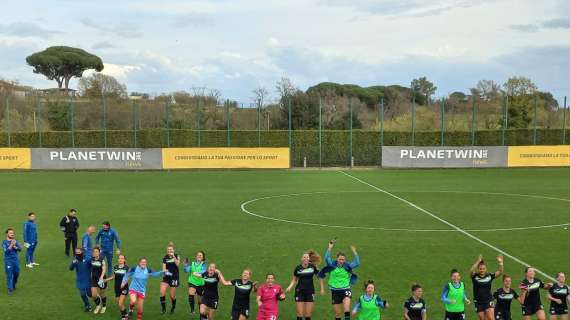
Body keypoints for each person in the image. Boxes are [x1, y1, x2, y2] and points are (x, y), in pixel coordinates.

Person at [318, 240, 360, 320]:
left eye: (343, 259)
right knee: (338, 313)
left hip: (345, 289)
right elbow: (327, 258)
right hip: (334, 291)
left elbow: (357, 262)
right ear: (337, 259)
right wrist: (330, 248)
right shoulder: (332, 265)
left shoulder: (347, 266)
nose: (341, 261)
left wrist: (354, 251)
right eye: (340, 259)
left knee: (346, 309)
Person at [285, 250, 323, 320]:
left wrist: (322, 288)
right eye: (304, 257)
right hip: (299, 292)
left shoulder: (312, 267)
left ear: (309, 259)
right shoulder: (298, 268)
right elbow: (294, 279)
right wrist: (289, 287)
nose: (306, 259)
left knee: (308, 314)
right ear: (302, 259)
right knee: (300, 313)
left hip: (310, 292)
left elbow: (320, 276)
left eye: (307, 257)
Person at [470, 254, 504, 320]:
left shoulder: (489, 276)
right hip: (478, 301)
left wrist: (500, 262)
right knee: (482, 318)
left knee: (491, 318)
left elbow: (500, 272)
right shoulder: (475, 277)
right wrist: (478, 261)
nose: (482, 270)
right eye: (480, 269)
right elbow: (471, 271)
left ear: (486, 269)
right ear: (478, 269)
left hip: (488, 300)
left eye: (483, 269)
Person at [106, 254, 130, 320]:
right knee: (119, 303)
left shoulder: (127, 268)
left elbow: (127, 278)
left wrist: (123, 283)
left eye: (122, 258)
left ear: (124, 260)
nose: (120, 259)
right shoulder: (115, 267)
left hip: (124, 288)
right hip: (116, 288)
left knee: (120, 303)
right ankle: (126, 314)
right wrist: (106, 280)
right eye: (119, 258)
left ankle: (124, 317)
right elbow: (114, 276)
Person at [69, 247, 93, 312]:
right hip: (80, 280)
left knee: (90, 294)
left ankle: (98, 299)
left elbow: (93, 267)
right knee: (82, 294)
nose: (77, 254)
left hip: (88, 280)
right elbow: (70, 268)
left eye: (79, 252)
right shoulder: (75, 260)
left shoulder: (88, 259)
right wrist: (73, 263)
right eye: (76, 252)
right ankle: (87, 305)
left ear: (82, 252)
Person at [160, 243, 180, 314]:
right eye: (168, 250)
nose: (169, 251)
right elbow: (163, 268)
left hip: (174, 278)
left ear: (173, 250)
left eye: (171, 249)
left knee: (172, 296)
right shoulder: (165, 257)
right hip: (167, 277)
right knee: (162, 292)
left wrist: (173, 256)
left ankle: (173, 307)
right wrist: (165, 272)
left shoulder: (177, 256)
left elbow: (177, 264)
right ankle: (163, 309)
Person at [3, 228, 22, 294]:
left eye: (13, 233)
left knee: (16, 274)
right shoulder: (4, 242)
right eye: (10, 233)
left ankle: (13, 284)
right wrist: (11, 245)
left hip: (16, 260)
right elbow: (6, 252)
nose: (12, 234)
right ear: (7, 234)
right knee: (9, 275)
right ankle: (10, 288)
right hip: (8, 261)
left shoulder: (15, 241)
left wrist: (15, 246)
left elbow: (20, 249)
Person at [91, 246, 108, 314]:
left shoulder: (102, 260)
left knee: (102, 294)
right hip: (94, 279)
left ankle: (104, 306)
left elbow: (104, 269)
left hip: (101, 279)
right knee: (94, 295)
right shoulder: (91, 259)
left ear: (99, 252)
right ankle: (98, 305)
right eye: (94, 252)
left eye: (96, 252)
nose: (95, 253)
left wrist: (101, 277)